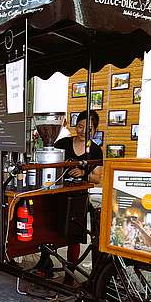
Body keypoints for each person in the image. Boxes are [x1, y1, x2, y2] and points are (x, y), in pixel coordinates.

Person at [40, 111, 103, 282]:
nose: (83, 131)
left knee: (73, 235)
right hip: (56, 193)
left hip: (78, 197)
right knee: (48, 229)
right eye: (80, 126)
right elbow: (48, 164)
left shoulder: (95, 151)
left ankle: (70, 271)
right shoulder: (63, 143)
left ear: (95, 130)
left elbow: (97, 178)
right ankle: (45, 264)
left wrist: (83, 174)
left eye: (88, 128)